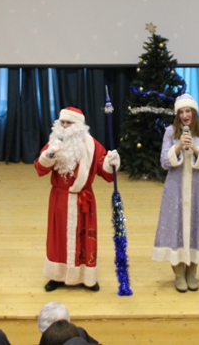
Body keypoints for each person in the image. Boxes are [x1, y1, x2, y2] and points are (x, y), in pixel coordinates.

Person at [34, 107, 120, 292]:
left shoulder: (92, 145)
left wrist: (110, 162)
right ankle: (57, 275)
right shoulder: (53, 143)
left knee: (85, 236)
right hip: (59, 199)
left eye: (69, 123)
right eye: (62, 122)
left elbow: (104, 170)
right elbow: (40, 168)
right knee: (58, 237)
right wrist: (50, 155)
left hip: (83, 199)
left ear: (79, 125)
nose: (65, 126)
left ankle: (87, 277)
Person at [152, 93, 199, 292]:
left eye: (188, 111)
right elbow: (164, 162)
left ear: (194, 112)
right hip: (175, 189)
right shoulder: (170, 132)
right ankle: (178, 273)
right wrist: (179, 146)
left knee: (196, 227)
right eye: (181, 112)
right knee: (175, 227)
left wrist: (196, 149)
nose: (184, 115)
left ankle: (192, 272)